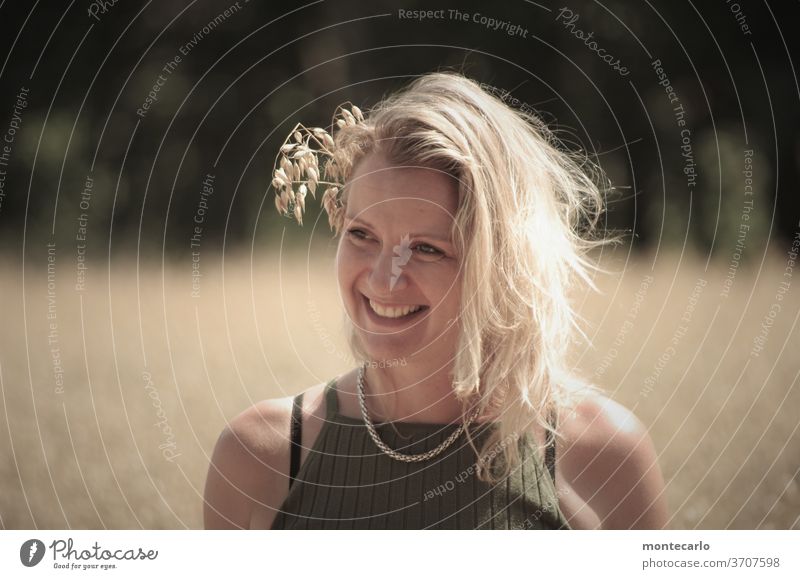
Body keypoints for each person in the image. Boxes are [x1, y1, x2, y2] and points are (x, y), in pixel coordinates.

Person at [203, 72, 669, 530]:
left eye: (427, 249)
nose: (384, 282)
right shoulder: (261, 454)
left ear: (501, 264)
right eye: (361, 234)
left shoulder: (604, 457)